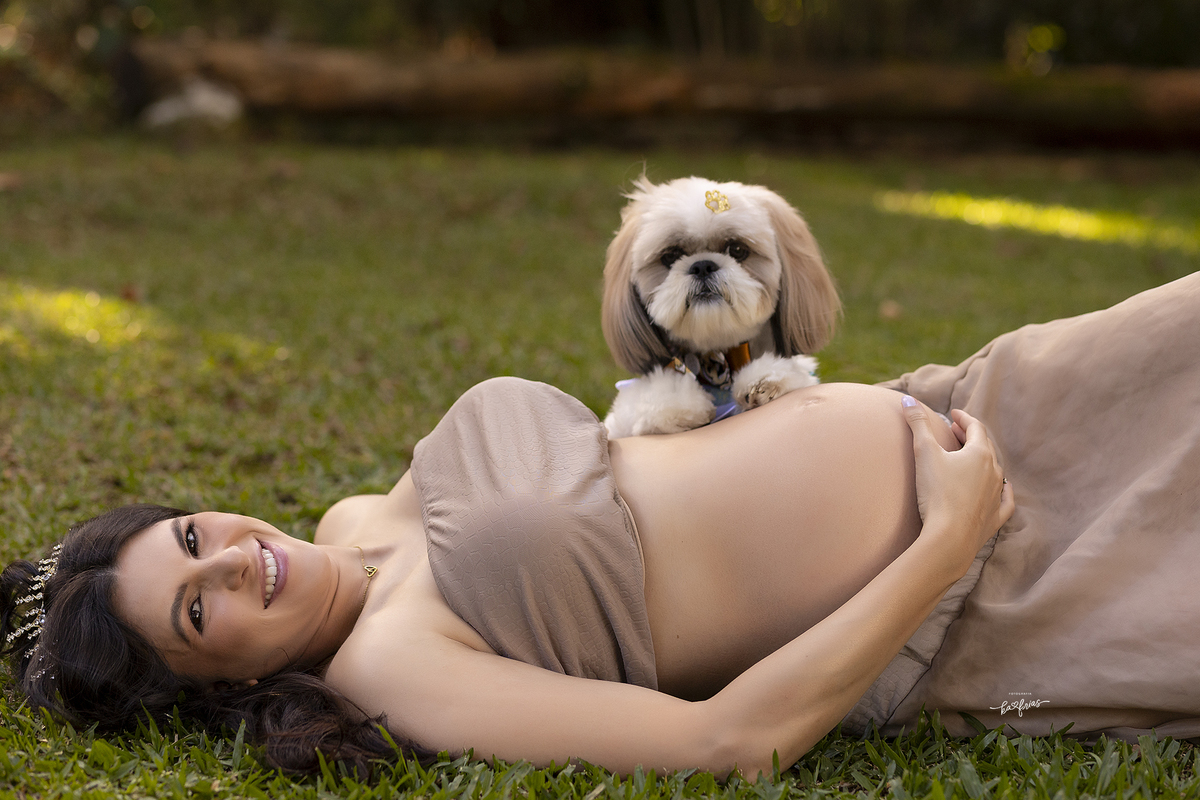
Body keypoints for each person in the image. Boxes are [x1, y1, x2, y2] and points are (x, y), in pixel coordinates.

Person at [2, 271, 1197, 778]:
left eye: (197, 534)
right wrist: (945, 531)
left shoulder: (354, 518)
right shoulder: (395, 665)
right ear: (223, 681)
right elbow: (732, 741)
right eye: (200, 606)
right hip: (992, 591)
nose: (238, 558)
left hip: (969, 406)